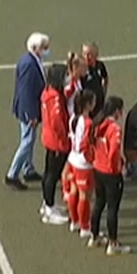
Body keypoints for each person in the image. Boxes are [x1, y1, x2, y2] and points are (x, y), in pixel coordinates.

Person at [5, 32, 49, 190]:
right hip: (28, 110)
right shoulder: (29, 65)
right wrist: (31, 114)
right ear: (36, 48)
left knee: (29, 139)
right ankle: (12, 174)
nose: (46, 50)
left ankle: (28, 169)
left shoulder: (31, 61)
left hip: (29, 109)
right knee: (27, 140)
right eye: (44, 47)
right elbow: (26, 92)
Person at [89, 96, 131, 255]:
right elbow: (114, 152)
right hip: (110, 173)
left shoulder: (97, 124)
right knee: (113, 208)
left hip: (97, 168)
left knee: (99, 202)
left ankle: (94, 236)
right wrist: (118, 168)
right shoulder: (114, 129)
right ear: (117, 111)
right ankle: (113, 243)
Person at [40, 61, 71, 225]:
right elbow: (57, 122)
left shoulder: (47, 92)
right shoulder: (56, 98)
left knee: (49, 173)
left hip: (49, 138)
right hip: (56, 142)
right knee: (52, 174)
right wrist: (64, 139)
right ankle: (49, 209)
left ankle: (47, 203)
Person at [67, 89, 97, 239]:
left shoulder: (73, 117)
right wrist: (92, 159)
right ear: (88, 104)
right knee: (85, 196)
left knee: (74, 190)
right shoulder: (88, 123)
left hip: (72, 158)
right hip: (83, 163)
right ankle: (85, 227)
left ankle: (75, 221)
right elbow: (85, 144)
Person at [60, 53, 87, 206]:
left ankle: (69, 186)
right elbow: (66, 99)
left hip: (76, 121)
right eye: (82, 67)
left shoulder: (76, 81)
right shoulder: (70, 83)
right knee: (70, 158)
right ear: (75, 68)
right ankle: (66, 188)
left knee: (71, 158)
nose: (85, 69)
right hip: (73, 123)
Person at [81, 42, 108, 114]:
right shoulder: (81, 70)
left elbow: (105, 78)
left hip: (99, 104)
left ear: (96, 55)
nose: (86, 57)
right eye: (84, 54)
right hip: (88, 107)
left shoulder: (100, 65)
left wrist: (103, 92)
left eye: (89, 54)